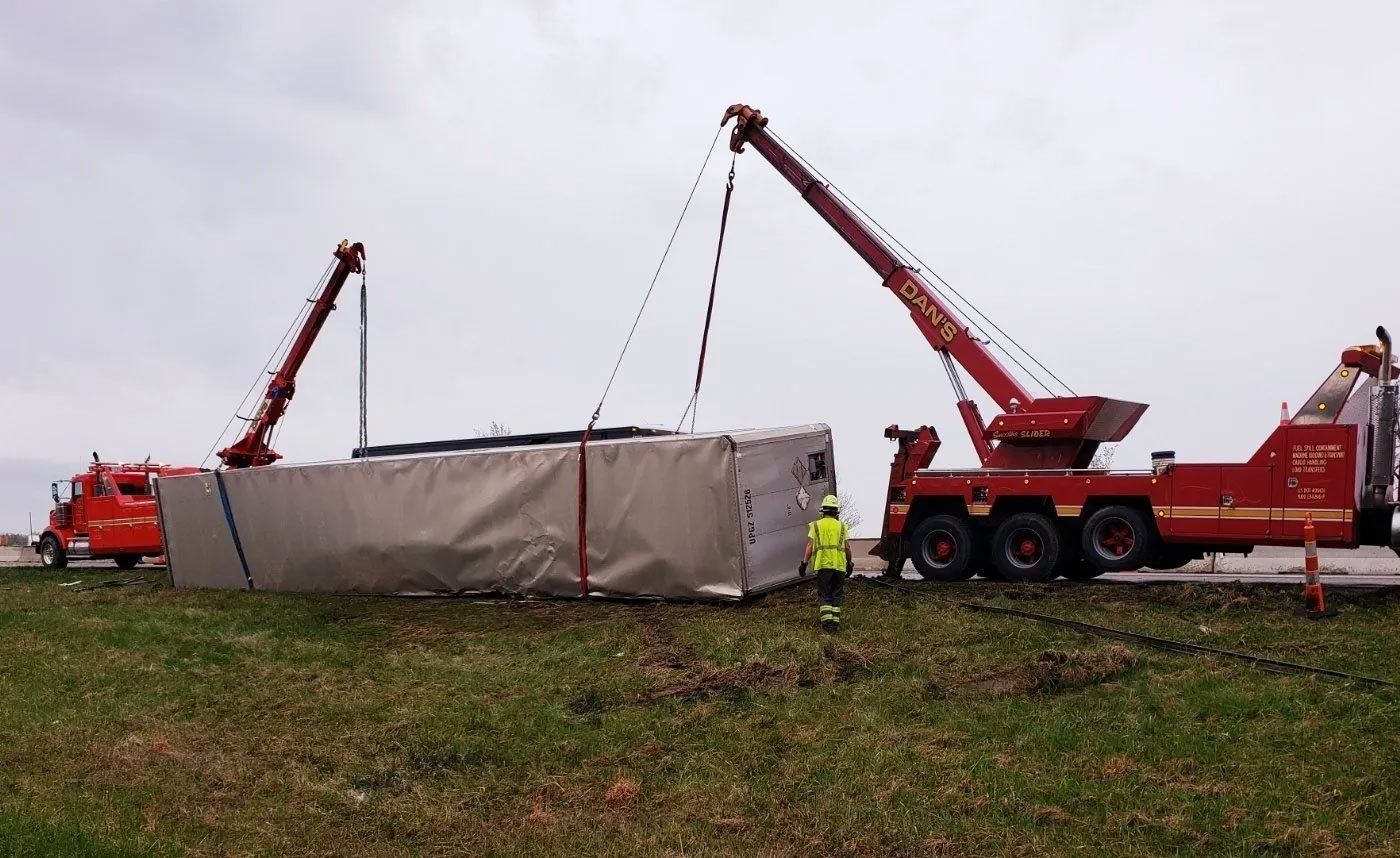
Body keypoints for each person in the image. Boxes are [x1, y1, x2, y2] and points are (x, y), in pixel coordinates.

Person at [797, 494, 854, 633]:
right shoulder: (842, 526)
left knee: (825, 594)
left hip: (823, 566)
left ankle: (828, 626)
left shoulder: (816, 525)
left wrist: (804, 564)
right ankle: (835, 624)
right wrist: (849, 563)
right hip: (839, 566)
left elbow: (810, 546)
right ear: (836, 512)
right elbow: (847, 547)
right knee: (836, 595)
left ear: (823, 511)